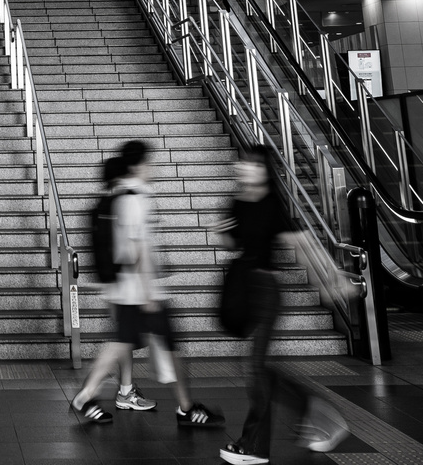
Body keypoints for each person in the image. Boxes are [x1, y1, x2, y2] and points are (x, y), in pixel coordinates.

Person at [68, 141, 222, 428]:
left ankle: (87, 395)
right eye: (149, 162)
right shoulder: (134, 198)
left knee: (122, 342)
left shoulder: (125, 196)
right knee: (164, 345)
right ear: (137, 166)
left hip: (130, 290)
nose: (153, 167)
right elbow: (135, 248)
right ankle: (186, 408)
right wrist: (149, 292)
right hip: (141, 291)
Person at [217, 147, 351, 464]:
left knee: (255, 368)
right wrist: (222, 231)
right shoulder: (236, 201)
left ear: (264, 171)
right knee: (259, 368)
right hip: (243, 288)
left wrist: (330, 280)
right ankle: (313, 409)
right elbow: (232, 242)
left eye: (253, 165)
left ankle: (253, 447)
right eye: (244, 164)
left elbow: (301, 244)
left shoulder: (271, 204)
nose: (245, 168)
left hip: (266, 290)